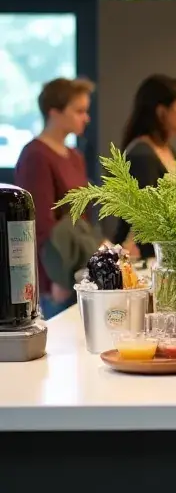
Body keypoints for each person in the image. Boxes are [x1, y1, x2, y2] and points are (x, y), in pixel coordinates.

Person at [13, 77, 98, 318]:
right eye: (79, 110)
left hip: (79, 269)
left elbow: (83, 217)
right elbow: (39, 225)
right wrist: (55, 279)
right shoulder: (36, 155)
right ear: (54, 113)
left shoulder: (74, 155)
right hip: (56, 275)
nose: (86, 118)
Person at [109, 75, 176, 258]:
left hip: (160, 255)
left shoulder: (164, 148)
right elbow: (146, 221)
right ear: (162, 112)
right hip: (141, 258)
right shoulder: (142, 154)